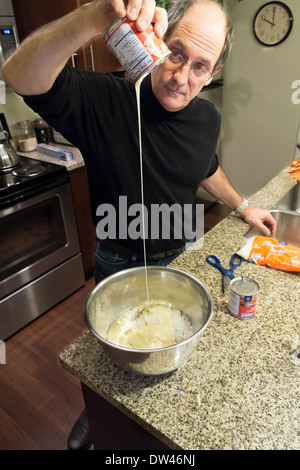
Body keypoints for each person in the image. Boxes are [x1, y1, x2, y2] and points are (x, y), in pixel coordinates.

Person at [2, 0, 277, 450]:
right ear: (157, 40)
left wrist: (243, 204)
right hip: (119, 260)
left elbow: (206, 166)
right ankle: (98, 408)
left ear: (214, 72)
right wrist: (95, 17)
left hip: (182, 257)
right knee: (114, 355)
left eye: (200, 67)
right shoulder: (104, 98)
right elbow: (17, 75)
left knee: (171, 350)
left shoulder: (206, 117)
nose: (182, 77)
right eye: (176, 53)